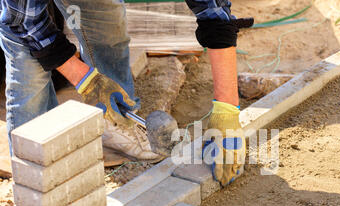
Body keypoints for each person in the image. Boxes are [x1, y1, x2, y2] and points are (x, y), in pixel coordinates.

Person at [0, 0, 246, 186]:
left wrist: (227, 111)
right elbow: (23, 22)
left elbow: (213, 11)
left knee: (107, 26)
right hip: (24, 11)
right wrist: (85, 79)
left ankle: (116, 125)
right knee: (28, 68)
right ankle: (34, 181)